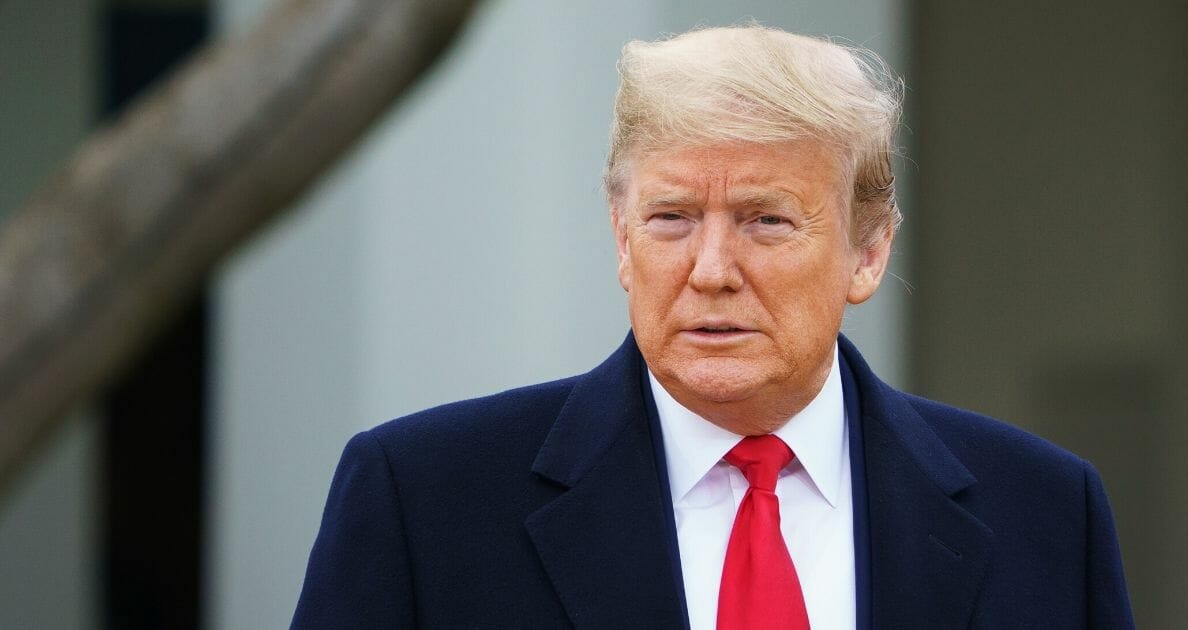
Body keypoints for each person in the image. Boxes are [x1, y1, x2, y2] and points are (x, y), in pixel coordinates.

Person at [291, 25, 1134, 629]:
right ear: (622, 241)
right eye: (672, 218)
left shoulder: (1047, 514)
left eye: (766, 221)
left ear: (868, 252)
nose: (711, 268)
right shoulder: (424, 500)